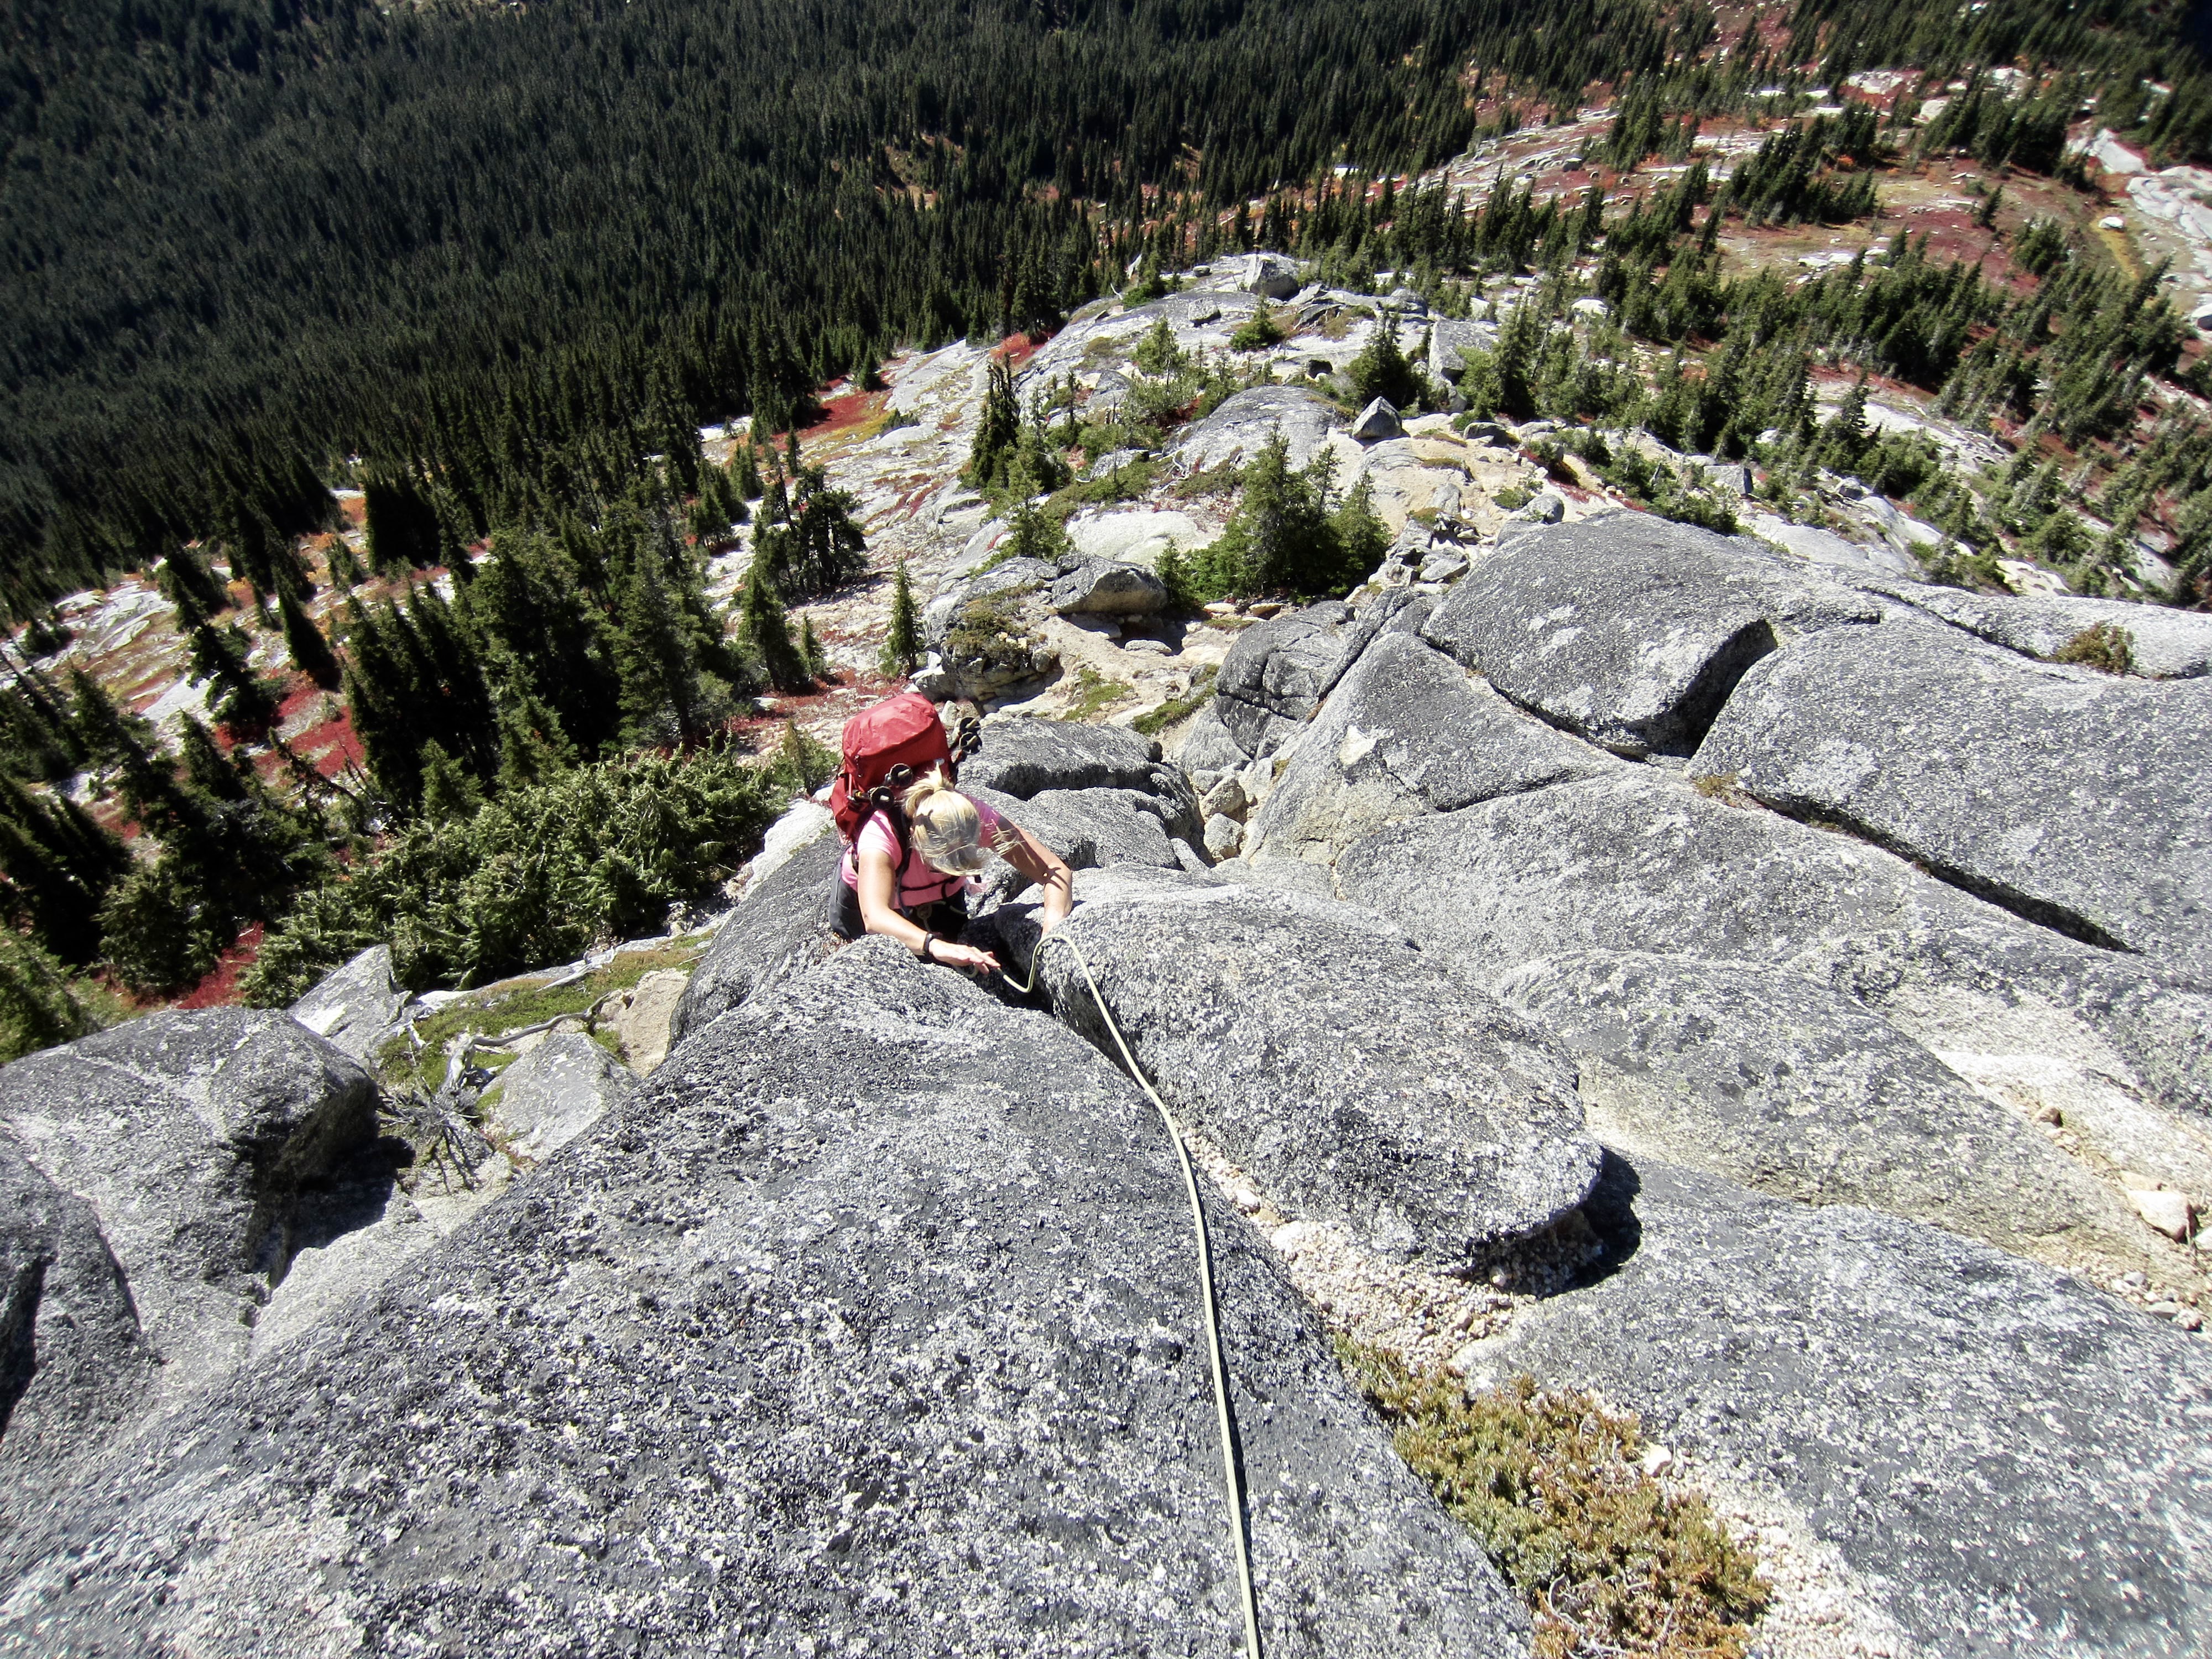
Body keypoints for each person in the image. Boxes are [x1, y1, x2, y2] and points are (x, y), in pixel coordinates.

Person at [833, 763, 1071, 975]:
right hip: (867, 903)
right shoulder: (880, 837)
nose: (952, 867)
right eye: (942, 862)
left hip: (943, 898)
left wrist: (1052, 925)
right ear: (915, 836)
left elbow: (1054, 870)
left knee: (952, 968)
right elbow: (874, 916)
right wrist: (934, 946)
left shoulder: (974, 816)